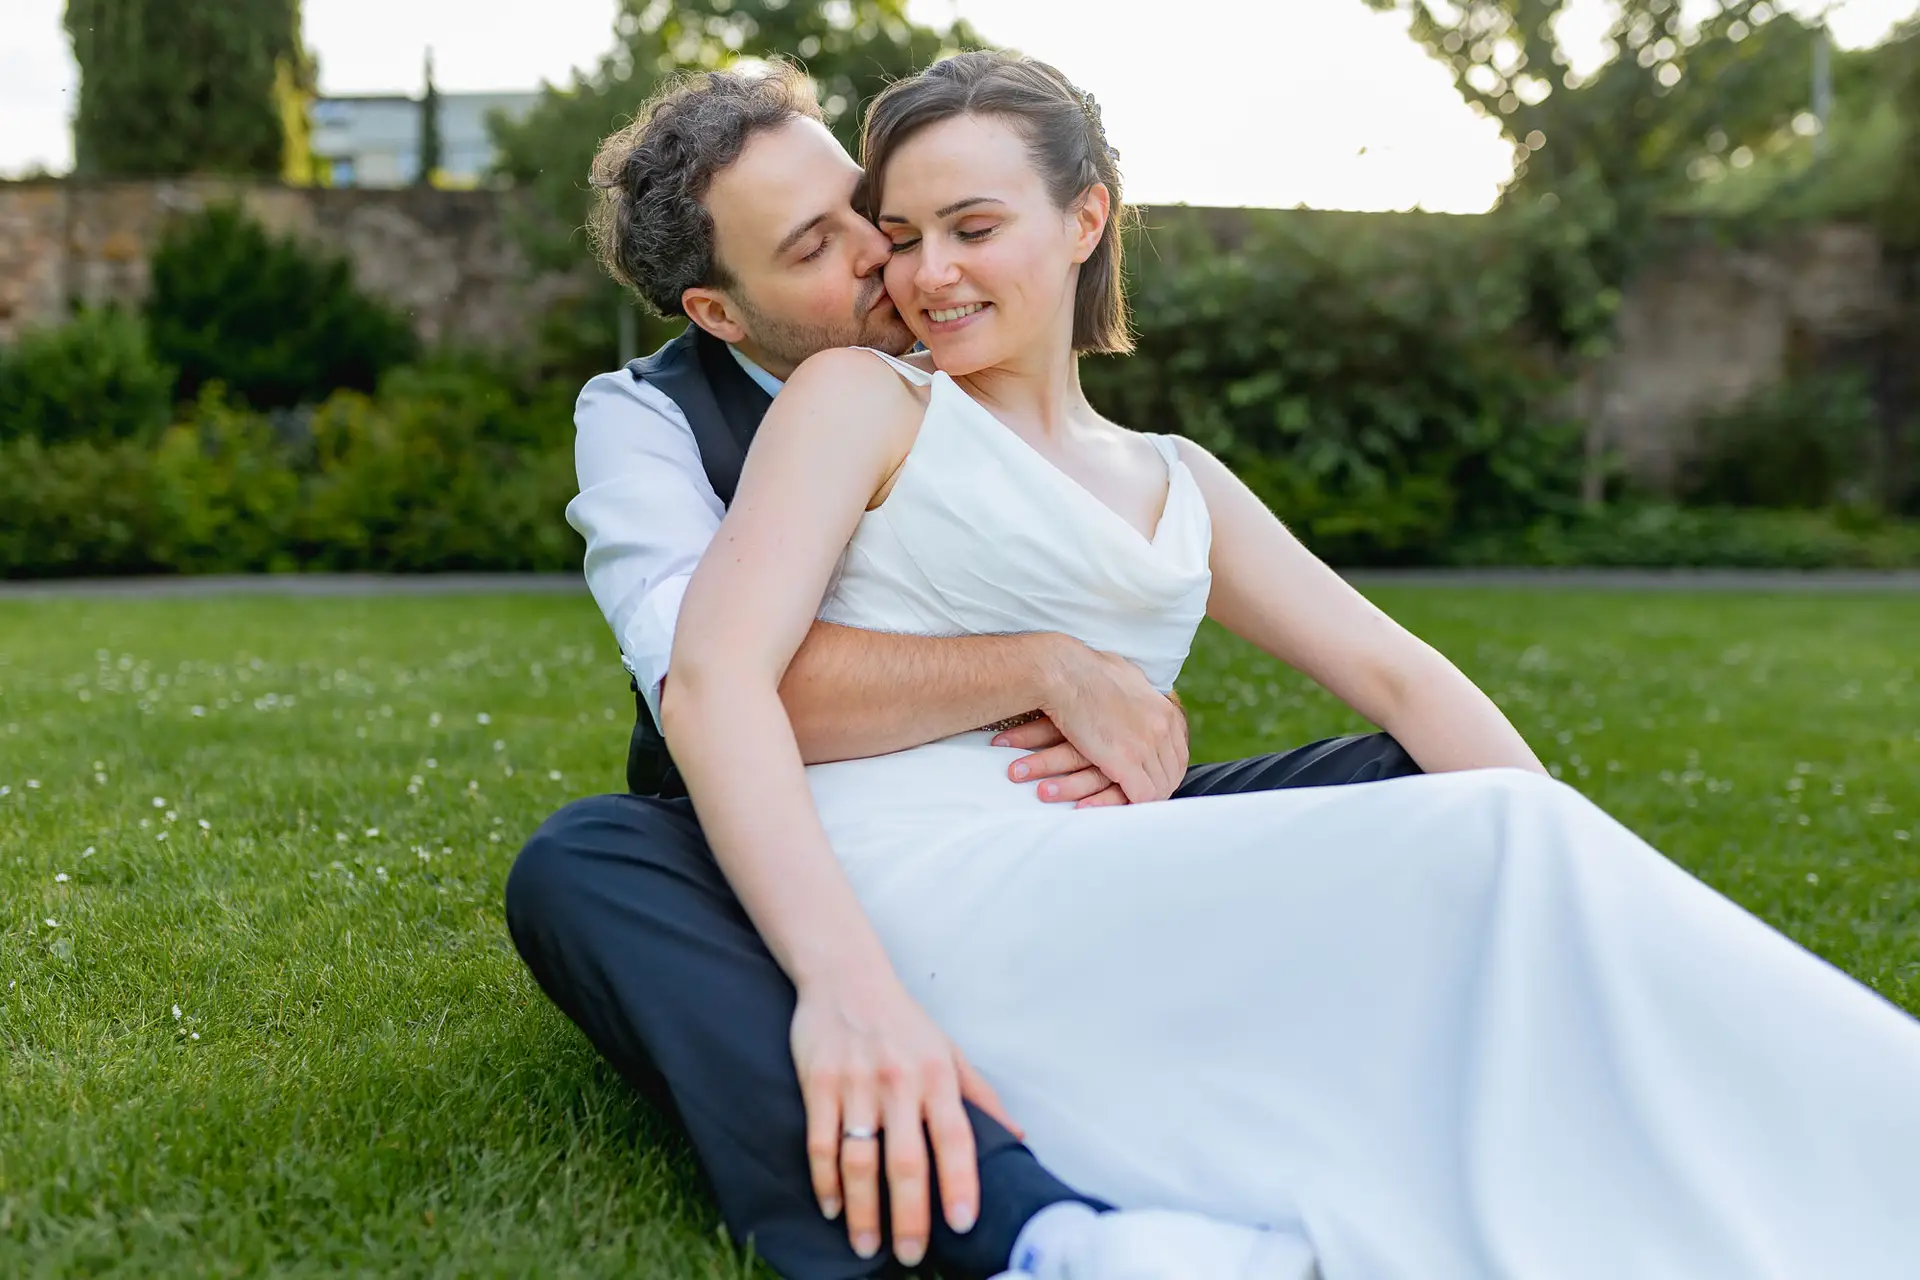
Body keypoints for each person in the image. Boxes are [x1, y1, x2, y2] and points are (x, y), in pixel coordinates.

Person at [658, 49, 1920, 1280]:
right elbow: (715, 680)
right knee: (1488, 850)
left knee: (1510, 836)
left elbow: (1403, 680)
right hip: (924, 880)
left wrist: (1574, 864)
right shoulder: (863, 402)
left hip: (1111, 862)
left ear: (1084, 215)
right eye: (904, 232)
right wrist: (838, 984)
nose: (927, 272)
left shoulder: (1181, 480)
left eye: (973, 227)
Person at [505, 63, 1419, 1280]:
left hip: (1053, 812)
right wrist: (1048, 668)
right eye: (819, 246)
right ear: (720, 312)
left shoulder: (975, 347)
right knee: (583, 863)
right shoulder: (646, 422)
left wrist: (1125, 693)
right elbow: (712, 685)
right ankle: (1024, 1227)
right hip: (785, 838)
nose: (891, 261)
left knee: (1409, 785)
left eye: (866, 211)